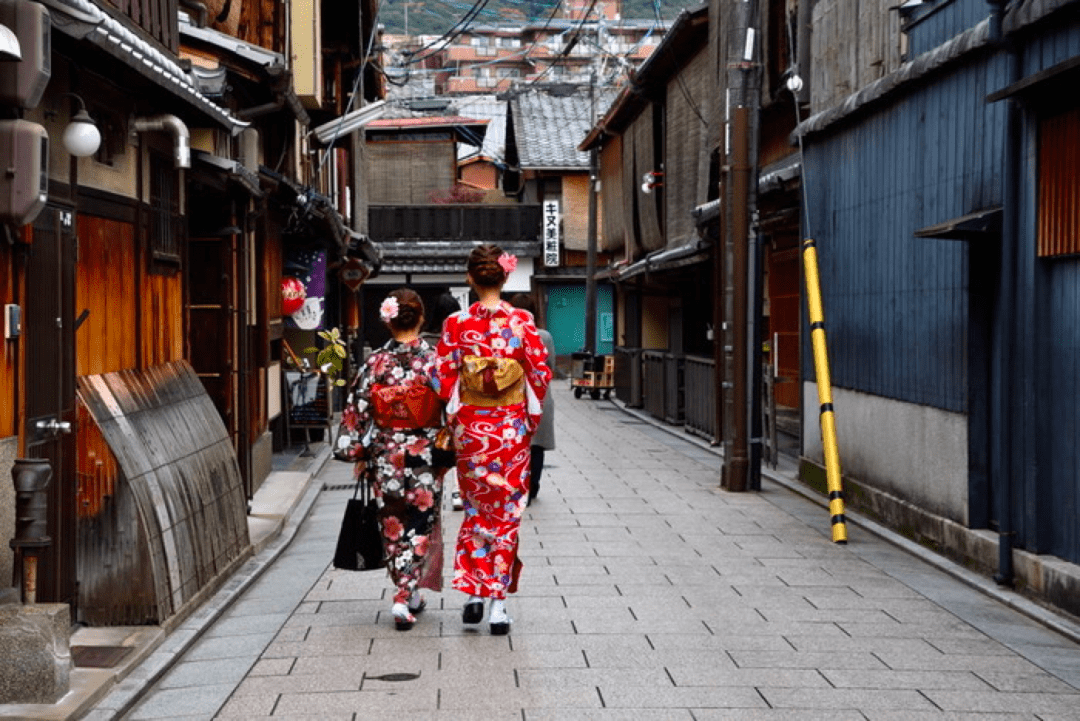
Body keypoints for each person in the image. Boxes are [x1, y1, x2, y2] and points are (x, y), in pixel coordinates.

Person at [435, 244, 552, 635]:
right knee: (506, 515)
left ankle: (473, 595)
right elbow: (539, 374)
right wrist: (526, 421)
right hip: (510, 432)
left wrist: (456, 421)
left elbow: (442, 379)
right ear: (506, 277)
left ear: (471, 278)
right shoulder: (521, 321)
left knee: (474, 511)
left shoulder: (456, 323)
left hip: (471, 429)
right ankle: (498, 605)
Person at [341, 289, 447, 631]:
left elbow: (357, 410)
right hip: (424, 455)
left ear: (388, 321)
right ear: (420, 319)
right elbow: (453, 408)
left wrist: (358, 451)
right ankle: (404, 597)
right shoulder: (434, 362)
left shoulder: (375, 363)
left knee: (392, 525)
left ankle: (408, 593)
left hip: (386, 456)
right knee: (420, 524)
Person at [509, 293, 555, 506]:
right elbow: (551, 368)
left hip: (513, 394)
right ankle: (533, 486)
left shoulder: (506, 334)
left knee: (517, 443)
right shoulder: (544, 336)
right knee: (536, 445)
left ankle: (517, 484)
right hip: (539, 394)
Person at [422, 292, 465, 511]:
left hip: (428, 404)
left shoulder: (424, 341)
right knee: (458, 449)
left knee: (434, 448)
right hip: (456, 400)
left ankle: (433, 487)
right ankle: (458, 492)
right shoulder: (461, 339)